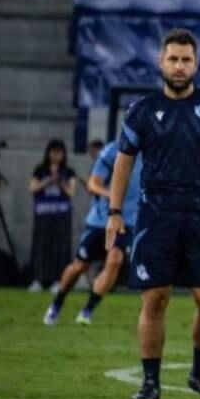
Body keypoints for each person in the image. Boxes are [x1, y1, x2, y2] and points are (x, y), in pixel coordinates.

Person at [105, 28, 200, 399]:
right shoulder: (141, 111)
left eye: (186, 60)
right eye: (173, 59)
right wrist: (115, 212)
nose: (179, 66)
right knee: (155, 298)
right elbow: (123, 164)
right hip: (157, 215)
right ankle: (150, 382)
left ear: (196, 64)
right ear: (161, 62)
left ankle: (199, 374)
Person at [43, 140, 142, 326]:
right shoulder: (113, 151)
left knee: (115, 261)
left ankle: (87, 310)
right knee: (80, 266)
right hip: (101, 219)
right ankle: (57, 303)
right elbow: (93, 184)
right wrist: (113, 197)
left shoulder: (153, 151)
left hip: (127, 222)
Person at [27, 139, 77, 293]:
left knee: (60, 247)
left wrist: (60, 182)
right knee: (41, 245)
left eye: (59, 152)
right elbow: (32, 188)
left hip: (62, 214)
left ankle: (59, 280)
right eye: (53, 152)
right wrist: (48, 180)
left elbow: (71, 192)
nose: (56, 155)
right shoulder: (40, 170)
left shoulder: (68, 171)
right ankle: (38, 279)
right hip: (43, 213)